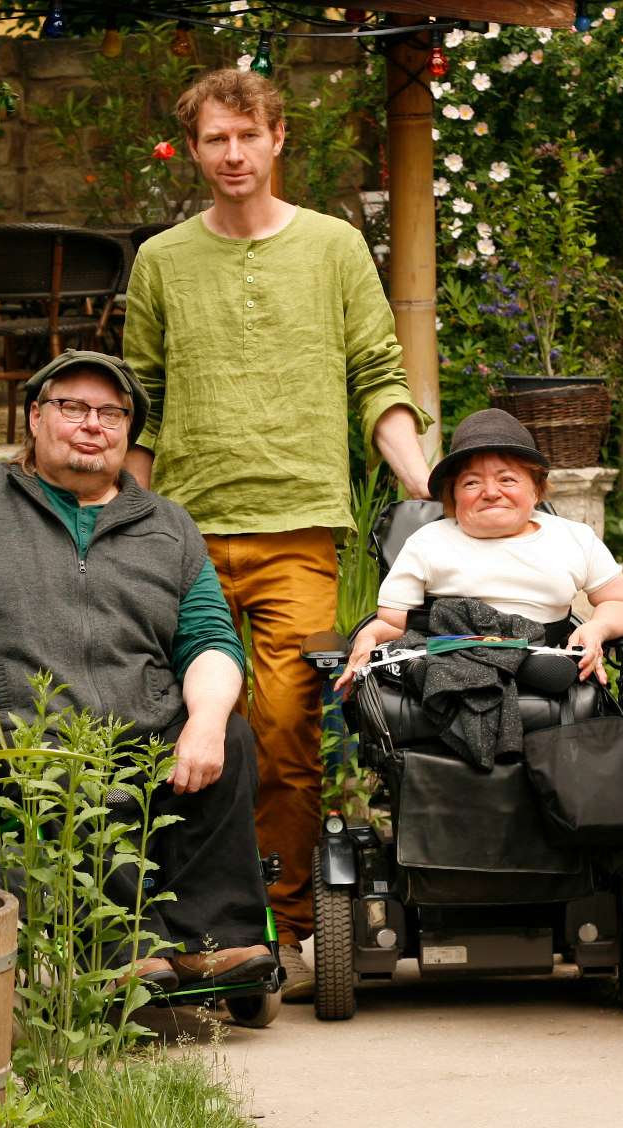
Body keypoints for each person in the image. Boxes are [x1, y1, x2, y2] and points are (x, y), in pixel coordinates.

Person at [121, 67, 433, 1001]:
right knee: (172, 729)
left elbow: (380, 375)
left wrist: (429, 485)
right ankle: (187, 932)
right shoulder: (162, 261)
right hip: (184, 535)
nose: (232, 155)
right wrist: (119, 523)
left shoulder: (334, 248)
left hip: (300, 529)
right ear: (195, 148)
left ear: (277, 139)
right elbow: (144, 401)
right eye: (214, 139)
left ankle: (287, 933)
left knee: (288, 730)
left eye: (246, 137)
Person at [0, 349, 276, 994]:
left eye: (112, 412)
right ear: (34, 418)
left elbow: (212, 640)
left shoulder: (169, 528)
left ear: (128, 431)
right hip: (15, 737)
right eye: (72, 407)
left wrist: (208, 722)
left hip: (144, 730)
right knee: (57, 761)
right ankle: (124, 948)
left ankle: (209, 941)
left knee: (233, 740)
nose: (93, 424)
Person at [335, 408, 623, 695]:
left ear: (535, 489)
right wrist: (368, 638)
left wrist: (597, 628)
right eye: (471, 483)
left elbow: (621, 602)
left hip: (541, 658)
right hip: (452, 660)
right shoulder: (427, 542)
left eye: (507, 479)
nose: (491, 492)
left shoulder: (572, 537)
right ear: (453, 498)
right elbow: (392, 623)